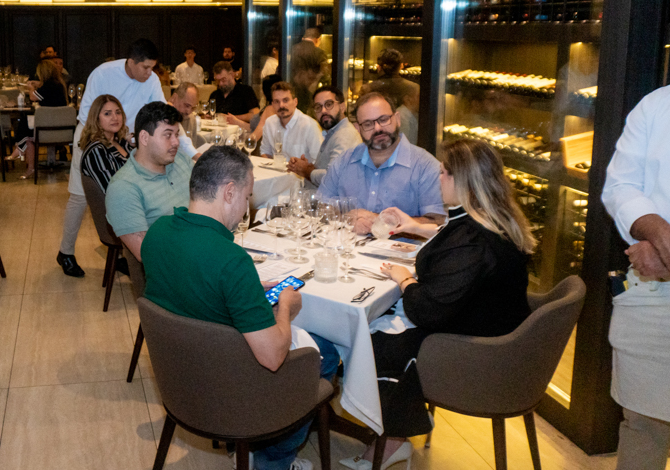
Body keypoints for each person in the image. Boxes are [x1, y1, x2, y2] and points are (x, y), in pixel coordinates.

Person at [340, 139, 535, 469]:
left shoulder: (473, 242)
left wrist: (405, 280)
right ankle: (399, 423)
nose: (438, 177)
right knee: (378, 323)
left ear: (465, 182)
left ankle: (395, 437)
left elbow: (425, 310)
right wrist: (416, 226)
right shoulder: (493, 219)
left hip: (476, 353)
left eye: (444, 172)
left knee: (371, 340)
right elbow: (453, 237)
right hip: (493, 328)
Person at [141, 146, 339, 470]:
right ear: (229, 192)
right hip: (231, 389)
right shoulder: (231, 260)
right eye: (247, 197)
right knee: (327, 353)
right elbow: (272, 357)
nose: (246, 208)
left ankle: (247, 450)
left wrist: (246, 289)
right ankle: (272, 460)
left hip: (180, 379)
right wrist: (286, 307)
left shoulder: (157, 233)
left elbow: (190, 285)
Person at [600, 84, 670, 470]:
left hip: (658, 273)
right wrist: (658, 231)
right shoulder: (657, 104)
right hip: (653, 296)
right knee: (644, 426)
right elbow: (620, 186)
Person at [56, 39, 166, 277]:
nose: (150, 73)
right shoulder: (103, 73)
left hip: (121, 138)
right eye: (146, 67)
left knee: (123, 190)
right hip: (90, 136)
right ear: (132, 62)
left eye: (152, 68)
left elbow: (159, 112)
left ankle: (122, 254)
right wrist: (108, 139)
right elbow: (87, 113)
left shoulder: (152, 80)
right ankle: (66, 252)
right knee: (81, 196)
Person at [318, 92, 444, 234]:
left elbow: (439, 223)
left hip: (404, 248)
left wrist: (380, 220)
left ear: (397, 119)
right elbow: (321, 207)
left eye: (384, 120)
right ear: (358, 129)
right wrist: (345, 220)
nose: (378, 128)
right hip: (349, 246)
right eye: (368, 124)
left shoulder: (426, 166)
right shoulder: (344, 162)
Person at [106, 102, 193, 262]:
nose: (176, 142)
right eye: (168, 135)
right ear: (144, 138)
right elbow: (146, 253)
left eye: (176, 134)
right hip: (180, 265)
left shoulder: (180, 159)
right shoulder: (123, 188)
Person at [287, 86, 362, 188]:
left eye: (329, 104)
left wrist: (307, 171)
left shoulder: (345, 135)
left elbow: (334, 178)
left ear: (342, 107)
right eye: (318, 107)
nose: (323, 110)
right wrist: (307, 167)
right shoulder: (334, 132)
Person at [8, 59, 69, 180]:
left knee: (24, 122)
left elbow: (32, 97)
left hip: (47, 129)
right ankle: (22, 154)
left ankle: (21, 152)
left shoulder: (48, 86)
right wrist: (37, 84)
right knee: (27, 131)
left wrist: (31, 87)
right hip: (61, 128)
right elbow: (45, 91)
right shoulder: (58, 84)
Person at [259, 81, 323, 162]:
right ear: (272, 104)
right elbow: (265, 152)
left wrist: (305, 168)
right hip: (276, 169)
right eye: (277, 101)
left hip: (302, 171)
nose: (281, 105)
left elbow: (319, 161)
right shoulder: (269, 123)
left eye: (285, 100)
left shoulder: (309, 126)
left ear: (295, 102)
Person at [80, 95, 131, 192]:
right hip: (125, 199)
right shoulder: (96, 151)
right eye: (107, 114)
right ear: (96, 119)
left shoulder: (122, 142)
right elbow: (113, 189)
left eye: (118, 112)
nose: (115, 118)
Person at [291, 27, 330, 119]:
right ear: (317, 39)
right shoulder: (319, 52)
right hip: (310, 93)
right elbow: (325, 74)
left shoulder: (291, 50)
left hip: (292, 91)